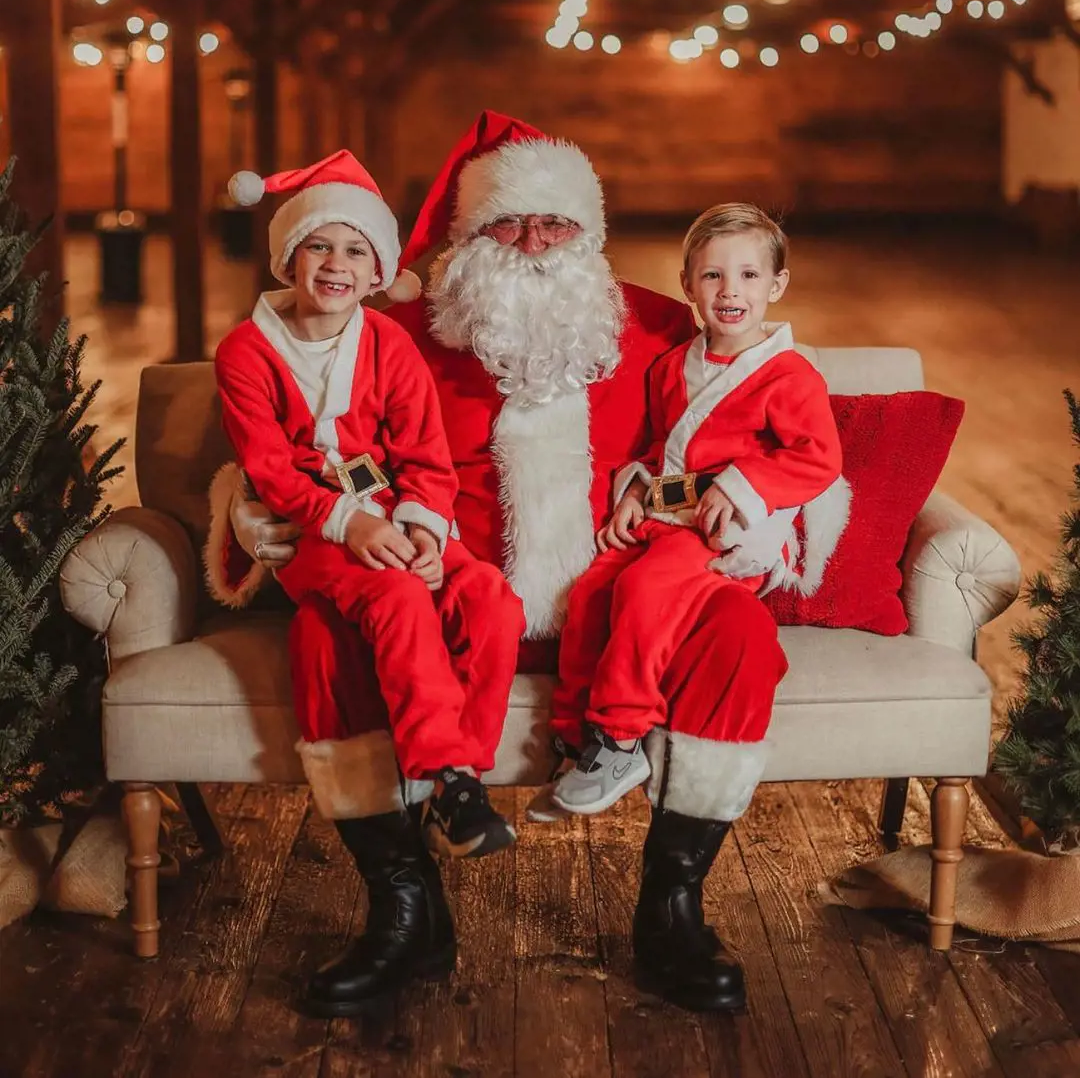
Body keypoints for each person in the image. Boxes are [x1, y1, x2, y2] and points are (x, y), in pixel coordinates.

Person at [208, 113, 849, 1013]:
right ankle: (404, 909)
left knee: (739, 629)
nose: (535, 244)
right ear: (466, 243)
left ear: (590, 238)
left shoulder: (665, 325)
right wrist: (253, 510)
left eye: (557, 226)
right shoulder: (400, 333)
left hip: (626, 587)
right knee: (324, 633)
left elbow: (768, 398)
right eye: (508, 226)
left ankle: (673, 906)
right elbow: (299, 427)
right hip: (449, 582)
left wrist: (760, 502)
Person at [212, 150, 525, 1015]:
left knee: (492, 599)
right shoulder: (245, 351)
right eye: (318, 248)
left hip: (397, 512)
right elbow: (272, 473)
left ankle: (458, 783)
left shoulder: (389, 343)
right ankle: (446, 778)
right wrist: (356, 526)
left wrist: (425, 530)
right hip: (312, 530)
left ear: (380, 269)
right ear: (288, 260)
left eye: (356, 251)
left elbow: (426, 456)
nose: (336, 266)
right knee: (388, 597)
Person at [548, 203, 844, 836]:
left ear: (776, 286)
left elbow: (817, 458)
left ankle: (619, 738)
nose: (729, 291)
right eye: (712, 277)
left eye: (747, 276)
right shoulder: (670, 368)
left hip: (726, 533)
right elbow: (661, 452)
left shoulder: (790, 377)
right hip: (665, 516)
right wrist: (632, 492)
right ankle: (574, 738)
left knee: (644, 587)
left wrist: (743, 485)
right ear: (687, 284)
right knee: (593, 589)